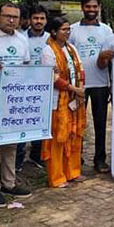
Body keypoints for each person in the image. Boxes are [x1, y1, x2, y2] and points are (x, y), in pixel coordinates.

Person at [0, 3, 33, 207]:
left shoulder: (22, 39)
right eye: (7, 16)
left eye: (15, 17)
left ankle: (8, 183)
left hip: (15, 101)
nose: (11, 20)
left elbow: (26, 68)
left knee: (11, 143)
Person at [69, 0, 112, 173]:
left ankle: (100, 160)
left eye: (95, 6)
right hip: (79, 85)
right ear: (82, 8)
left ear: (99, 7)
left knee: (100, 123)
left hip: (101, 83)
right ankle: (75, 159)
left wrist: (111, 84)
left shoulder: (107, 30)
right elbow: (68, 57)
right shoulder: (72, 30)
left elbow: (110, 57)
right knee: (76, 124)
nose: (91, 10)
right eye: (88, 6)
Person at [41, 17, 86, 188]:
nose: (67, 32)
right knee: (58, 138)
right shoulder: (47, 51)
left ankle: (73, 172)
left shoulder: (71, 48)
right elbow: (53, 78)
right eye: (63, 29)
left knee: (73, 135)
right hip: (57, 101)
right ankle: (57, 177)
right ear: (53, 32)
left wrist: (80, 89)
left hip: (74, 100)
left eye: (68, 29)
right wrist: (74, 90)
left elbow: (80, 70)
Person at [16, 4, 49, 171]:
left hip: (45, 89)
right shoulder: (20, 37)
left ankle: (37, 156)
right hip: (23, 89)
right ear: (29, 20)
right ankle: (18, 159)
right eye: (35, 18)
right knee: (22, 123)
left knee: (40, 123)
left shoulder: (51, 38)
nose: (38, 21)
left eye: (42, 18)